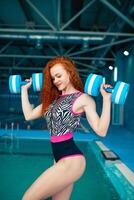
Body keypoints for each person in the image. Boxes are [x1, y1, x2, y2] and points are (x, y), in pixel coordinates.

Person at [21, 56, 112, 200]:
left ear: (70, 73)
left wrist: (107, 100)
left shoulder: (83, 99)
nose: (56, 81)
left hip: (72, 160)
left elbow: (101, 131)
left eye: (58, 76)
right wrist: (24, 90)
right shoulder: (53, 100)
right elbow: (29, 115)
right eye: (53, 78)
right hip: (58, 159)